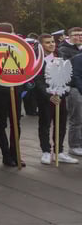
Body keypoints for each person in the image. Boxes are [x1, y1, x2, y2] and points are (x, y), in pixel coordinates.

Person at [0, 22, 26, 167]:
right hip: (0, 91)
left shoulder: (18, 47)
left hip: (15, 89)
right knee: (1, 123)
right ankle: (6, 154)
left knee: (16, 123)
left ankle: (15, 153)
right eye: (11, 31)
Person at [37, 34, 78, 165]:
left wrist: (62, 94)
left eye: (52, 42)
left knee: (61, 124)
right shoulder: (38, 59)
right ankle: (46, 151)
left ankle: (59, 152)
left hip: (61, 97)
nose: (51, 44)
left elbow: (69, 75)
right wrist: (49, 95)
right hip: (46, 98)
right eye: (47, 42)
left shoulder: (61, 55)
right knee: (45, 124)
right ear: (41, 45)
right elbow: (38, 81)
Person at [62, 27, 82, 157]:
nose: (79, 37)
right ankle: (74, 146)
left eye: (81, 35)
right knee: (76, 119)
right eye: (76, 35)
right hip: (74, 88)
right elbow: (72, 72)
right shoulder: (64, 50)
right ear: (68, 37)